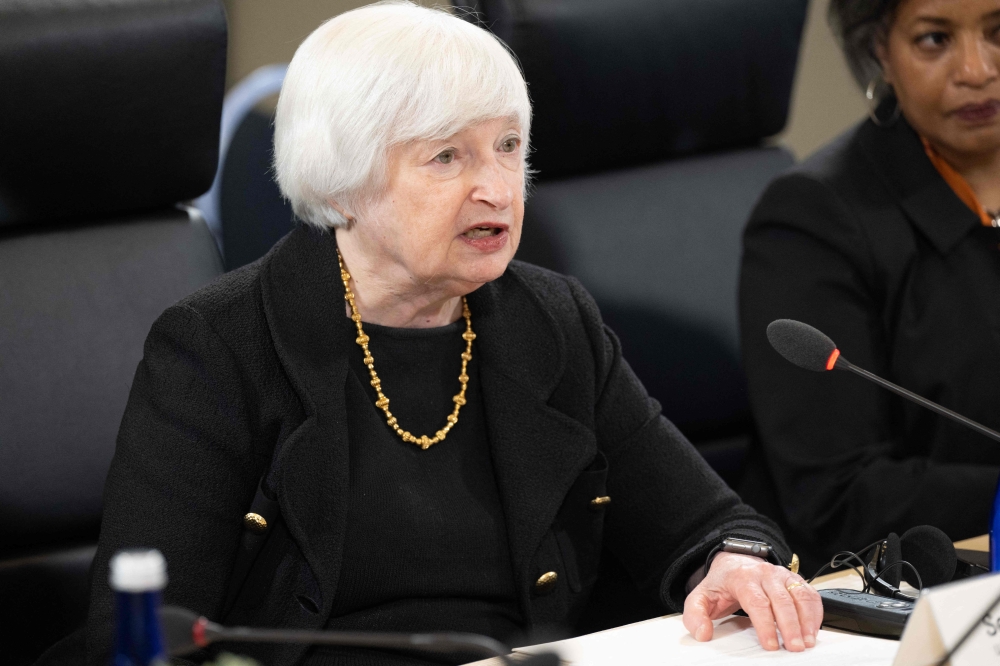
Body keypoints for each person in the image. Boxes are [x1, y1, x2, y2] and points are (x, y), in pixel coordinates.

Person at [82, 3, 821, 664]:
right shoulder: (218, 347)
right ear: (341, 179)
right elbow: (142, 632)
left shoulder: (551, 320)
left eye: (507, 147)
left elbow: (707, 522)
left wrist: (733, 562)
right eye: (447, 156)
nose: (497, 187)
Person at [740, 0, 1000, 575]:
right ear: (879, 47)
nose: (977, 69)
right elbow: (838, 495)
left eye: (999, 30)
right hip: (910, 589)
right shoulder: (811, 219)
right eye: (935, 39)